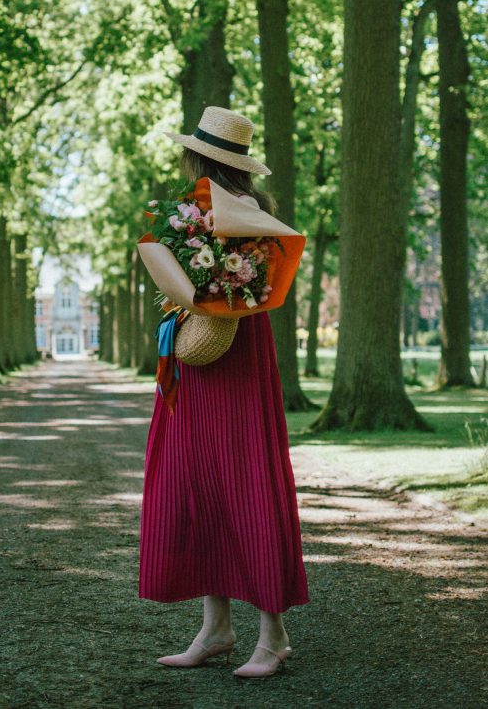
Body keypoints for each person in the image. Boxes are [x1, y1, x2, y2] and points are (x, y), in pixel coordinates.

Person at [138, 106, 310, 679]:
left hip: (237, 352)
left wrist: (214, 284)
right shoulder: (186, 211)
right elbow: (167, 258)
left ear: (201, 157)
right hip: (196, 352)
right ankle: (216, 628)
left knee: (248, 482)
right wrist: (190, 291)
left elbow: (253, 282)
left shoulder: (253, 216)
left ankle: (274, 636)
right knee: (198, 480)